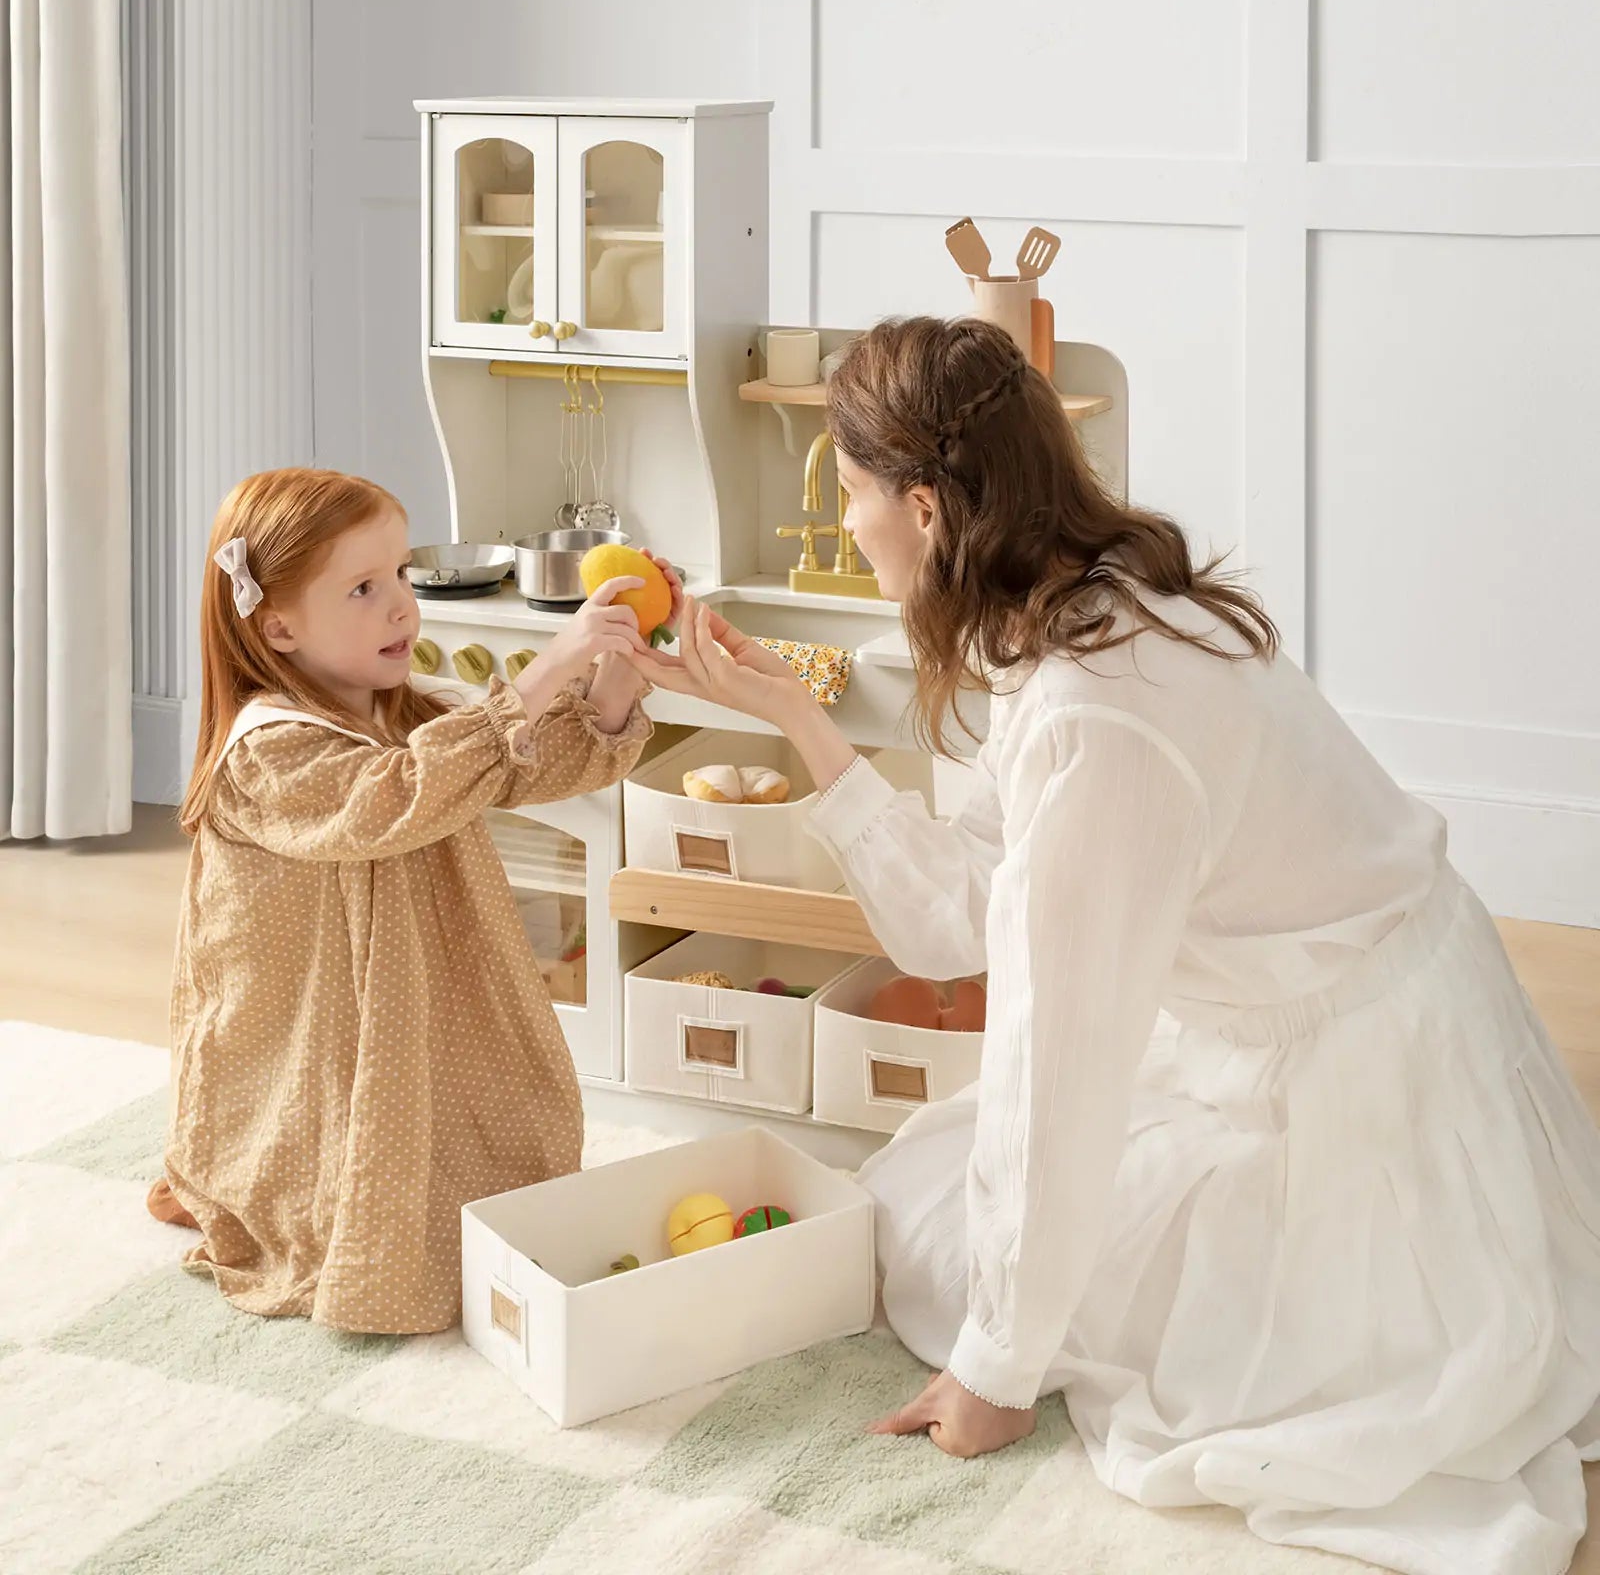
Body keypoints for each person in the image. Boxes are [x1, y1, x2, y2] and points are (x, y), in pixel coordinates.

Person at [633, 317, 1600, 1575]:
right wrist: (793, 717)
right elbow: (958, 917)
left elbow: (1058, 1061)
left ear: (923, 508)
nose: (849, 522)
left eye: (853, 492)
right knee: (920, 1190)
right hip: (1329, 1022)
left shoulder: (1095, 712)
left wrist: (995, 1370)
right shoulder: (1085, 612)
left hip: (1360, 1090)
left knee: (947, 1255)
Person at [147, 466, 680, 1334]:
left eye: (400, 573)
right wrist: (551, 662)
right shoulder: (266, 751)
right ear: (277, 626)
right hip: (310, 1019)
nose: (401, 605)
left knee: (478, 1135)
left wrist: (617, 662)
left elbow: (529, 763)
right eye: (363, 588)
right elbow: (392, 797)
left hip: (405, 995)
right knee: (329, 1143)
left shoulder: (405, 714)